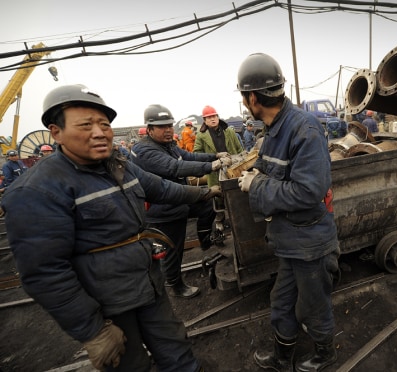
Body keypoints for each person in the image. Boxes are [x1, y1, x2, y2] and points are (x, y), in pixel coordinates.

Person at [1, 84, 219, 371]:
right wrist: (93, 331)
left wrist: (206, 192)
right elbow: (45, 273)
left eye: (104, 124)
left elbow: (162, 188)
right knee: (132, 365)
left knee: (177, 350)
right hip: (108, 306)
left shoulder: (118, 164)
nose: (99, 132)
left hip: (148, 285)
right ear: (56, 132)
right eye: (86, 125)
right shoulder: (37, 191)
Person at [236, 53, 340, 372]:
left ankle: (325, 353)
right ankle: (283, 358)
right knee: (281, 302)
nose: (244, 104)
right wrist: (247, 166)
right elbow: (273, 167)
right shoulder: (274, 128)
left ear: (253, 97)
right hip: (289, 241)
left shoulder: (303, 129)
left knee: (313, 304)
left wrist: (256, 186)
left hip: (309, 242)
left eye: (244, 98)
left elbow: (308, 191)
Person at [130, 104, 231, 298]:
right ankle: (175, 285)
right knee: (172, 249)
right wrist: (212, 166)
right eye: (162, 127)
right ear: (149, 129)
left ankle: (205, 242)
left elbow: (188, 156)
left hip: (178, 198)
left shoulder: (167, 145)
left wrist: (215, 155)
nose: (168, 130)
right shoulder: (145, 151)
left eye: (169, 125)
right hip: (163, 208)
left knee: (206, 206)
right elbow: (175, 168)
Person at [194, 105, 243, 231]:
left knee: (236, 196)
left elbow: (239, 149)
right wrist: (214, 160)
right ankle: (219, 224)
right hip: (215, 172)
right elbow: (197, 154)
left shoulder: (229, 131)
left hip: (233, 169)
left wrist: (239, 161)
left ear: (218, 117)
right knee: (218, 199)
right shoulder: (201, 136)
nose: (212, 119)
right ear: (204, 120)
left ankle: (238, 222)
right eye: (209, 117)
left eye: (214, 116)